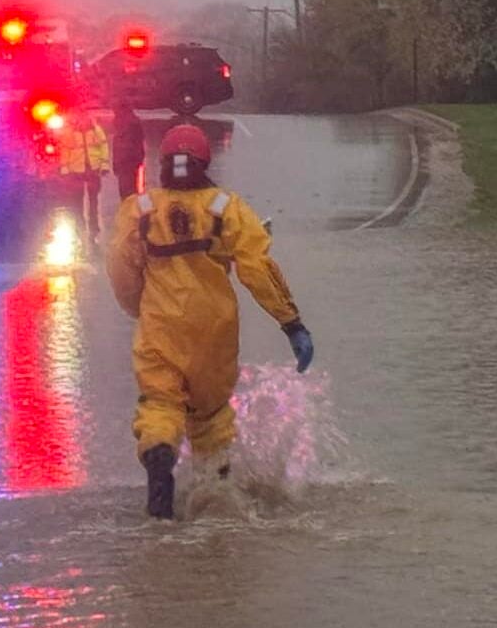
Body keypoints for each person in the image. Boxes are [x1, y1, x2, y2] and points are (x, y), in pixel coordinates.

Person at [105, 123, 315, 519]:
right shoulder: (226, 207)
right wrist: (291, 323)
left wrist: (138, 305)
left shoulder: (141, 209)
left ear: (163, 162)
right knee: (212, 416)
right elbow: (258, 267)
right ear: (205, 162)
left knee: (161, 404)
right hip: (215, 330)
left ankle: (159, 466)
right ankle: (215, 500)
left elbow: (120, 268)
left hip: (160, 327)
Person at [55, 110, 111, 233]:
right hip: (77, 170)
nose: (82, 120)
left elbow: (103, 146)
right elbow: (65, 150)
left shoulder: (96, 130)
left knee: (93, 199)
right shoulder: (70, 133)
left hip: (93, 169)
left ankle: (93, 225)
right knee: (77, 199)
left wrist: (104, 165)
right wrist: (65, 168)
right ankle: (80, 224)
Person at [108, 103, 145, 202]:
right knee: (138, 190)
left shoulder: (120, 123)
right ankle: (144, 213)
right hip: (132, 161)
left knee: (126, 191)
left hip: (125, 162)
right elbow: (139, 142)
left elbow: (118, 146)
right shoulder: (134, 121)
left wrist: (115, 163)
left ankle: (128, 211)